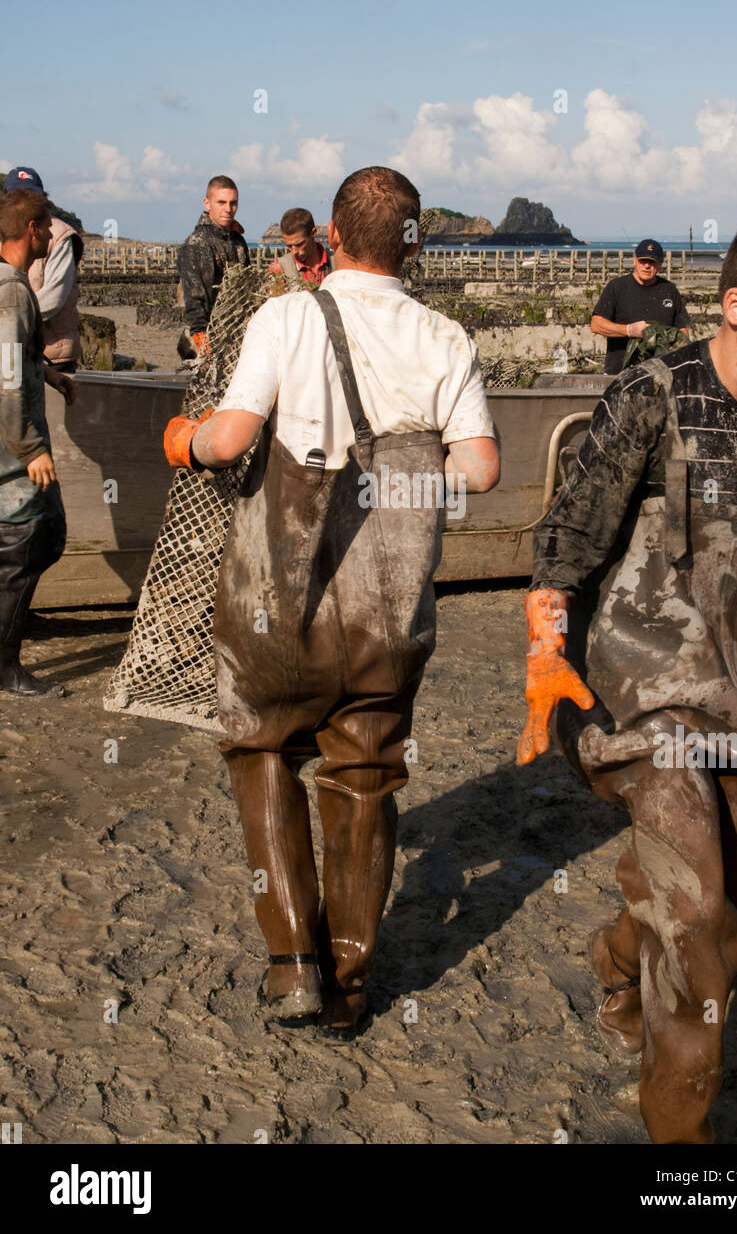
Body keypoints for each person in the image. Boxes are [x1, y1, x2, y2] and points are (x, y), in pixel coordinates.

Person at [164, 166, 500, 1030]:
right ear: (414, 246)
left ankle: (292, 964)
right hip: (388, 612)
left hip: (278, 600)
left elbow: (233, 435)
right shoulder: (446, 339)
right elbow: (479, 471)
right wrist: (403, 483)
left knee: (263, 750)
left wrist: (184, 443)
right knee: (363, 778)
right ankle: (352, 985)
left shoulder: (288, 314)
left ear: (335, 240)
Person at [517, 216, 737, 1144]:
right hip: (636, 691)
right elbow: (567, 538)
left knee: (722, 892)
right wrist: (544, 647)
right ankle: (682, 1152)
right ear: (736, 309)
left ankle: (617, 964)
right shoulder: (651, 395)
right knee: (698, 929)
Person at [0, 188, 75, 696]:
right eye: (47, 225)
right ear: (31, 229)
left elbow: (10, 358)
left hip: (10, 442)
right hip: (12, 449)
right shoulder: (12, 290)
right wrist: (33, 449)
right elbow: (6, 380)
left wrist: (46, 372)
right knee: (32, 541)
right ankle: (5, 668)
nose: (52, 233)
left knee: (27, 543)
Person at [2, 167, 84, 373]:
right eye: (16, 197)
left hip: (53, 352)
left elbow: (54, 298)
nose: (23, 202)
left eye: (30, 196)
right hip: (14, 348)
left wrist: (12, 318)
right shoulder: (6, 233)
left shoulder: (58, 235)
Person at [591, 237, 691, 374]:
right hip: (619, 373)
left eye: (652, 261)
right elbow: (596, 324)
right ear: (634, 260)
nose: (647, 266)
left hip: (659, 374)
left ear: (660, 264)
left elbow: (683, 332)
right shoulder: (617, 287)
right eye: (643, 261)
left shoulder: (669, 290)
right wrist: (629, 330)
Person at [177, 176, 250, 360]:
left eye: (233, 203)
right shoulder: (197, 244)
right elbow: (193, 298)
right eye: (221, 202)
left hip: (236, 334)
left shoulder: (238, 241)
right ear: (207, 203)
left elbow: (247, 286)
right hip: (205, 335)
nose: (228, 209)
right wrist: (202, 339)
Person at [268, 207, 334, 288]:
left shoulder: (337, 262)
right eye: (289, 246)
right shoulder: (279, 270)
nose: (294, 251)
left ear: (313, 233)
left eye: (299, 244)